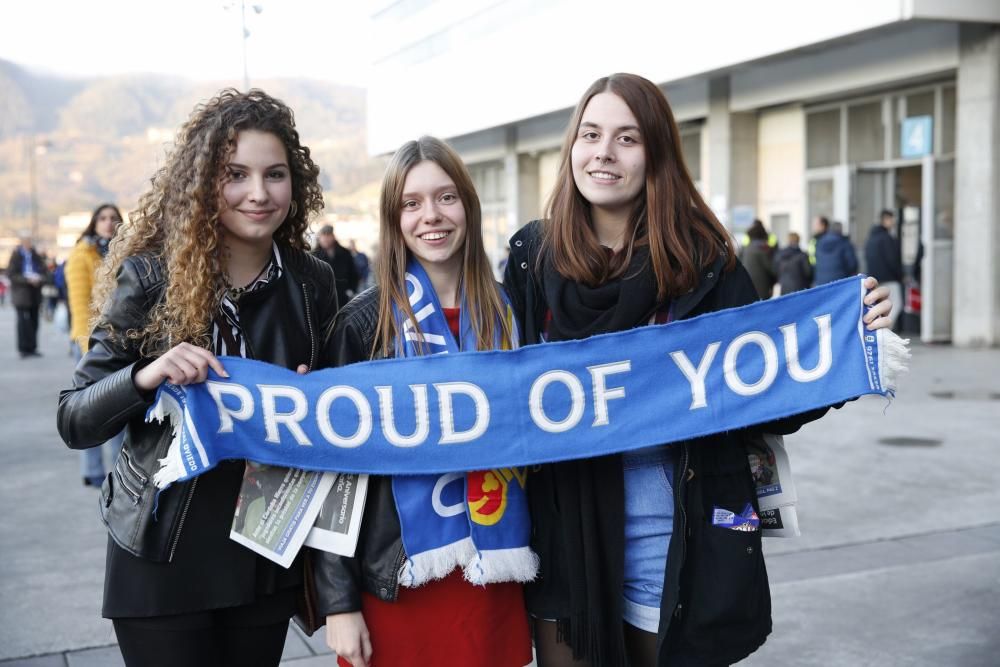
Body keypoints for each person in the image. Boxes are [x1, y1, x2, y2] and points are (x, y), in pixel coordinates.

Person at [503, 73, 894, 667]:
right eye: (590, 134)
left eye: (627, 138)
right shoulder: (532, 259)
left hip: (680, 552)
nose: (603, 152)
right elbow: (498, 389)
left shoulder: (704, 264)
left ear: (656, 156)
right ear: (571, 148)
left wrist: (846, 341)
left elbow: (766, 386)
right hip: (568, 553)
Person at [56, 89, 338, 667]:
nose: (258, 193)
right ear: (203, 182)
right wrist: (146, 375)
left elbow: (340, 421)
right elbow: (74, 417)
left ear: (297, 185)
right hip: (162, 555)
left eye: (275, 174)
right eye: (236, 174)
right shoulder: (150, 274)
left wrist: (320, 400)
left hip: (265, 550)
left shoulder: (313, 281)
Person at [313, 136, 533, 667]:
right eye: (411, 203)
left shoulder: (510, 311)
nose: (430, 216)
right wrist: (338, 603)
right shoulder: (363, 324)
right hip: (396, 580)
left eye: (446, 197)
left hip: (495, 573)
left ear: (469, 207)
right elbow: (328, 468)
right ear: (394, 219)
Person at [65, 203, 125, 487]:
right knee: (91, 408)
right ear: (93, 222)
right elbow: (79, 306)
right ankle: (92, 470)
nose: (109, 222)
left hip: (120, 340)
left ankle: (118, 471)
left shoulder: (126, 249)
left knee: (117, 408)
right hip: (90, 342)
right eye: (102, 218)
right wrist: (86, 345)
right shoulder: (82, 255)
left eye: (114, 218)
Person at [7, 232, 49, 358]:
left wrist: (39, 279)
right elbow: (12, 275)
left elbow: (45, 272)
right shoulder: (15, 256)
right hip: (21, 295)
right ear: (22, 242)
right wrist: (26, 280)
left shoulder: (36, 255)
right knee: (22, 322)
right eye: (26, 241)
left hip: (35, 293)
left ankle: (32, 347)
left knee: (34, 321)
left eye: (30, 241)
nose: (28, 243)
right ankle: (23, 348)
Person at [864, 209, 903, 329]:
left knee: (879, 307)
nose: (893, 222)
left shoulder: (871, 238)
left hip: (874, 278)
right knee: (896, 304)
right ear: (885, 220)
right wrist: (900, 276)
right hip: (889, 278)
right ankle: (884, 329)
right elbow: (892, 260)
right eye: (891, 219)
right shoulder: (886, 238)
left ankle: (880, 328)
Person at [313, 223, 360, 305]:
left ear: (333, 237)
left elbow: (353, 273)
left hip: (342, 296)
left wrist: (351, 290)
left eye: (328, 235)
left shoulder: (345, 253)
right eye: (323, 236)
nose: (325, 239)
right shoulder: (314, 255)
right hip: (321, 298)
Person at [738, 219, 776, 300]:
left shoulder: (746, 247)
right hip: (762, 283)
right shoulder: (763, 249)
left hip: (746, 281)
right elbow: (770, 268)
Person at [813, 221, 858, 285]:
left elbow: (815, 261)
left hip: (821, 283)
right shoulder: (845, 243)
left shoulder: (819, 242)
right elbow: (852, 264)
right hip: (840, 282)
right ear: (841, 230)